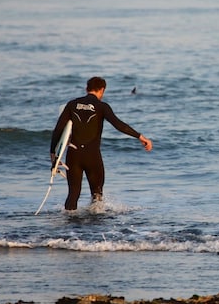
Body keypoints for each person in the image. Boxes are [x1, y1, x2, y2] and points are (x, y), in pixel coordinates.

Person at [51, 77, 152, 210]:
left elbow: (58, 129)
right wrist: (140, 136)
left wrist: (53, 153)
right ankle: (96, 228)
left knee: (73, 194)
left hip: (73, 155)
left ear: (87, 89)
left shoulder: (72, 104)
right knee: (97, 195)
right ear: (102, 90)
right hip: (92, 155)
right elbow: (119, 125)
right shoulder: (101, 106)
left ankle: (71, 227)